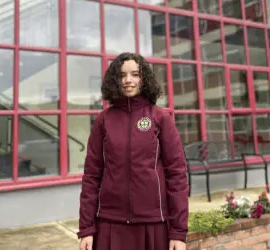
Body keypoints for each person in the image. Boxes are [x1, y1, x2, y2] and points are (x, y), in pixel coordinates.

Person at [78, 52, 189, 250]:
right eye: (122, 75)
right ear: (115, 81)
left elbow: (177, 175)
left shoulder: (160, 118)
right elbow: (91, 176)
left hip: (154, 223)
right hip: (110, 223)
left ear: (144, 78)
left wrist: (178, 232)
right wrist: (86, 228)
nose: (128, 80)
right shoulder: (104, 120)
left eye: (135, 74)